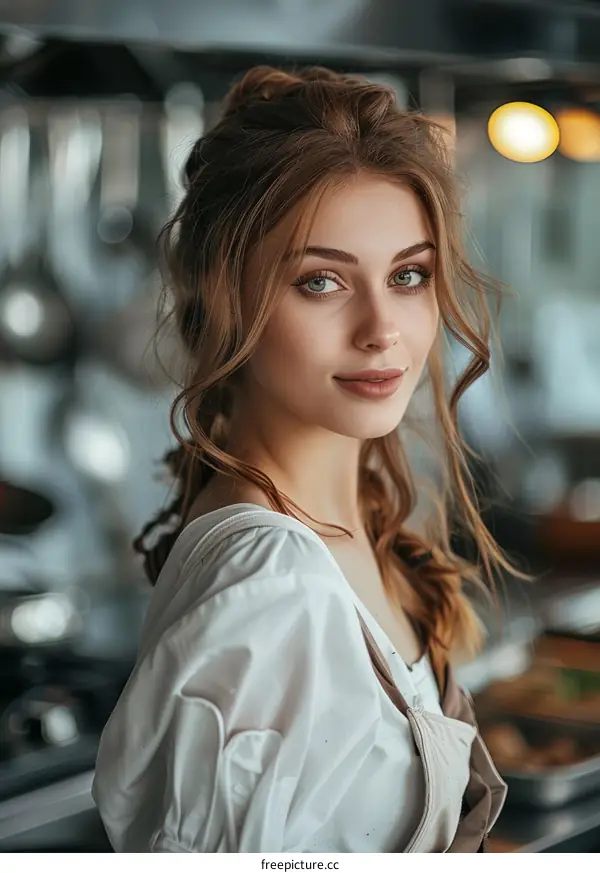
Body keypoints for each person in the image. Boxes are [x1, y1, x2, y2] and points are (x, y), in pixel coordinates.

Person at [92, 65, 514, 853]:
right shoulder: (271, 582)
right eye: (321, 281)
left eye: (409, 275)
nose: (382, 328)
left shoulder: (353, 529)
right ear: (225, 297)